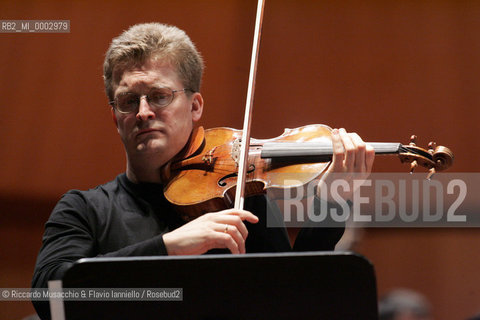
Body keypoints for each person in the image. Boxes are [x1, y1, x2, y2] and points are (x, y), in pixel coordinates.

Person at [31, 22, 374, 319]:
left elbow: (299, 300)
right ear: (114, 115)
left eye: (159, 96)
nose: (144, 111)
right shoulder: (83, 210)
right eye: (128, 100)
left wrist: (331, 204)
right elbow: (52, 293)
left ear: (194, 106)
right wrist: (169, 248)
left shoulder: (242, 200)